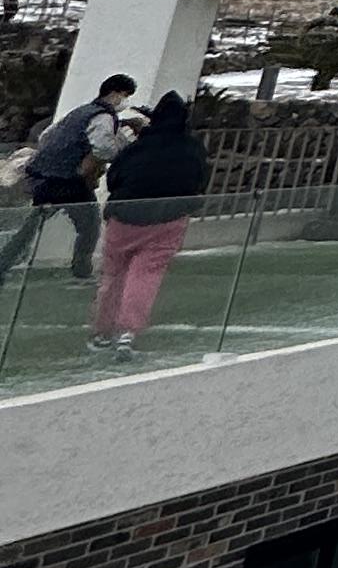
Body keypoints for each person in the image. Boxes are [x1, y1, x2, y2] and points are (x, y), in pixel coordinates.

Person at [90, 87, 208, 362]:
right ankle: (127, 331)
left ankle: (102, 330)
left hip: (125, 217)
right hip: (168, 220)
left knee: (113, 274)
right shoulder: (192, 148)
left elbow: (114, 178)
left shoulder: (138, 147)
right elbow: (199, 180)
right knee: (146, 275)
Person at [1, 73, 136, 281]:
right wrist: (124, 142)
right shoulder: (103, 117)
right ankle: (81, 270)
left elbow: (47, 136)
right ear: (115, 93)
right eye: (125, 95)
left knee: (31, 225)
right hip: (71, 180)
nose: (125, 101)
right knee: (89, 225)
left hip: (47, 176)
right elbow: (104, 148)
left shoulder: (80, 112)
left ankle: (4, 264)